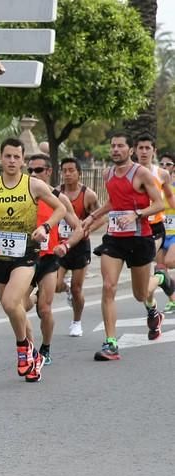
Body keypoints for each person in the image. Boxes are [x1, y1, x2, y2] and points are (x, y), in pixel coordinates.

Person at [0, 138, 64, 383]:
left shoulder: (33, 185)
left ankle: (23, 349)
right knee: (14, 310)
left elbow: (60, 209)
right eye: (7, 156)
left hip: (26, 254)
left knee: (12, 303)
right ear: (1, 158)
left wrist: (45, 227)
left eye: (16, 157)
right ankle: (33, 357)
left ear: (23, 160)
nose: (12, 161)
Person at [84, 132, 165, 360]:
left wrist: (136, 214)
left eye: (120, 146)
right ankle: (111, 343)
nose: (115, 150)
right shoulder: (107, 173)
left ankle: (157, 291)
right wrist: (92, 217)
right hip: (115, 238)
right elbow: (113, 201)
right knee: (109, 286)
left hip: (140, 238)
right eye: (113, 146)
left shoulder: (141, 173)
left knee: (140, 294)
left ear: (130, 150)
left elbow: (158, 203)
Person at [21, 154, 82, 365]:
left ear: (48, 172)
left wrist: (66, 245)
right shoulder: (22, 194)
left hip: (48, 261)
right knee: (19, 306)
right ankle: (28, 342)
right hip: (25, 260)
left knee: (45, 310)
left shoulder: (59, 198)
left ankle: (45, 348)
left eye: (38, 170)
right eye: (30, 170)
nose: (33, 174)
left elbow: (79, 228)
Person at [54, 157, 99, 337]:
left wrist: (89, 229)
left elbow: (100, 216)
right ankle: (66, 290)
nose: (67, 174)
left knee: (77, 288)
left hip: (80, 246)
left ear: (79, 172)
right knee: (56, 285)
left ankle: (76, 322)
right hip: (60, 245)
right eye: (64, 170)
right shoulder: (56, 192)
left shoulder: (88, 195)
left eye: (71, 170)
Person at [135, 136, 175, 313]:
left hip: (157, 228)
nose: (144, 151)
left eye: (147, 148)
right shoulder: (129, 172)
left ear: (154, 151)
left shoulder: (162, 174)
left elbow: (170, 197)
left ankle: (165, 293)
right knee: (150, 274)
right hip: (134, 229)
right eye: (140, 148)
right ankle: (152, 306)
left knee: (163, 265)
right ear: (134, 151)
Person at [157, 154, 175, 314]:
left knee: (169, 262)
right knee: (161, 269)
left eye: (168, 164)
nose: (164, 166)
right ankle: (173, 300)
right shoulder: (154, 185)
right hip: (161, 232)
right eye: (161, 164)